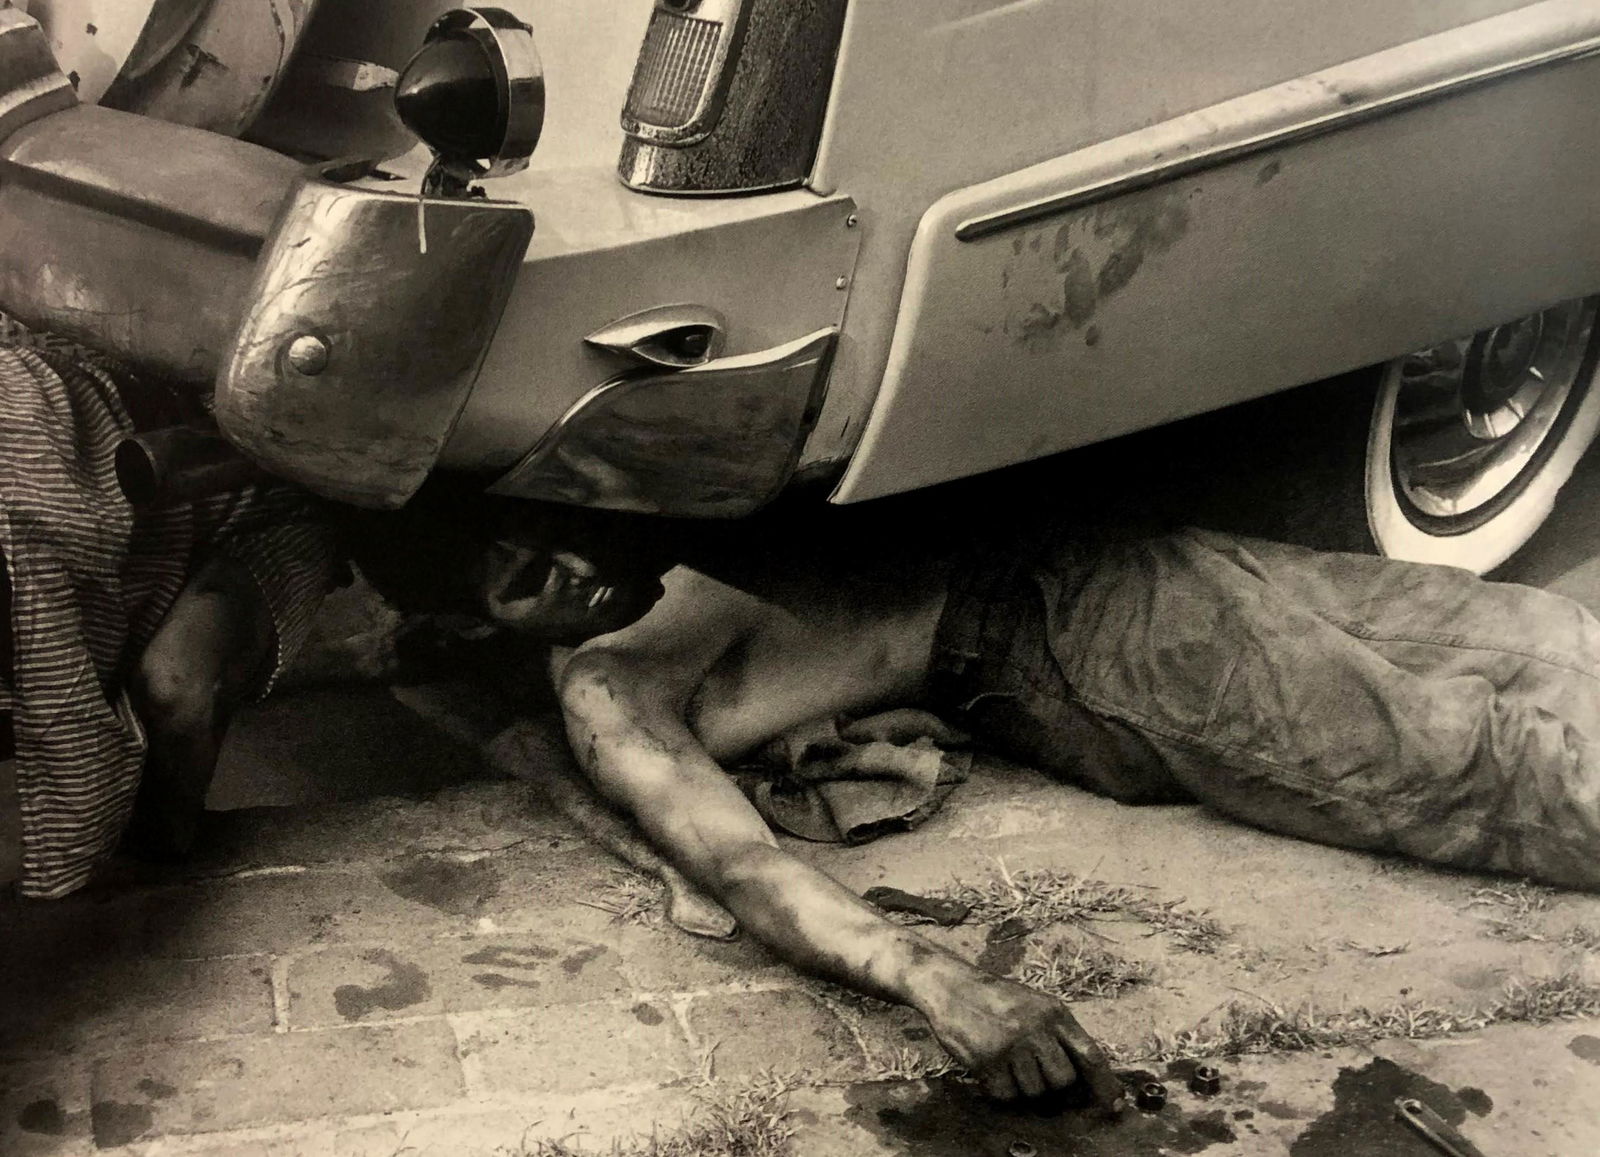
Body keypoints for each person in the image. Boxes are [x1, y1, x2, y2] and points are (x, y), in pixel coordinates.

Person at [547, 512, 1600, 1105]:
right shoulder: (608, 677)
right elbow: (735, 862)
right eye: (496, 572)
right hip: (1067, 632)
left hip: (1113, 558)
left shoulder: (660, 515)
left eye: (530, 536)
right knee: (1482, 758)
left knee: (1541, 643)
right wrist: (936, 979)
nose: (550, 571)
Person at [1, 320, 340, 898]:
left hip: (262, 510)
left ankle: (165, 864)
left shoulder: (29, 556)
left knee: (173, 690)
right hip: (130, 522)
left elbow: (73, 782)